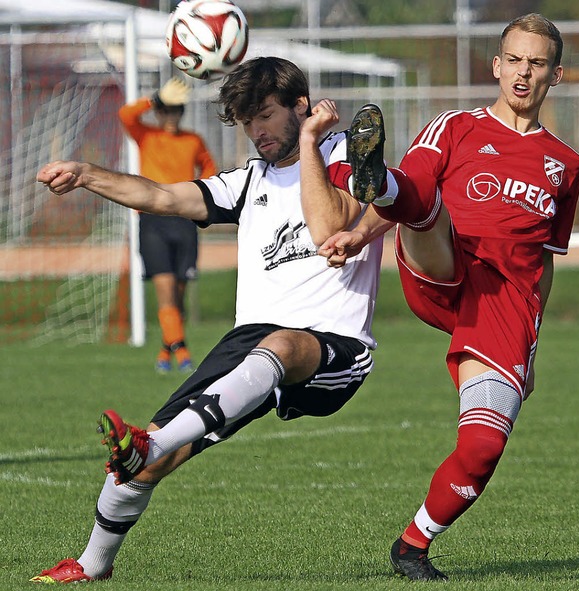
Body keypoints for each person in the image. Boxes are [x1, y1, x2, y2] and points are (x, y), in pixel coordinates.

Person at [30, 57, 383, 583]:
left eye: (265, 115)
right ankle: (91, 564)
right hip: (249, 346)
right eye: (248, 121)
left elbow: (329, 223)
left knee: (280, 348)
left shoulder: (351, 161)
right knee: (136, 467)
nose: (257, 131)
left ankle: (157, 440)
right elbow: (160, 195)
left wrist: (310, 141)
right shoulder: (248, 181)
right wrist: (87, 174)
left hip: (332, 348)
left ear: (301, 106)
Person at [320, 13, 579, 581]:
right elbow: (417, 190)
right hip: (439, 268)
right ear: (495, 66)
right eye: (513, 60)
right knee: (424, 205)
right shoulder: (455, 126)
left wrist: (532, 349)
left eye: (536, 64)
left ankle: (412, 545)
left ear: (554, 75)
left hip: (504, 306)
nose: (522, 73)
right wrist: (361, 230)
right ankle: (364, 172)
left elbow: (543, 263)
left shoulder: (567, 164)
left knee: (484, 449)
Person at [118, 77, 217, 373]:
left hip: (184, 221)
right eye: (167, 111)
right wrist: (154, 98)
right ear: (159, 113)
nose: (172, 117)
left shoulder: (192, 140)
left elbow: (210, 169)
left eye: (177, 111)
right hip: (153, 222)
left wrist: (202, 196)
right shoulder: (146, 135)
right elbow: (126, 114)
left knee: (180, 294)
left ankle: (166, 349)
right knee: (165, 289)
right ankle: (183, 352)